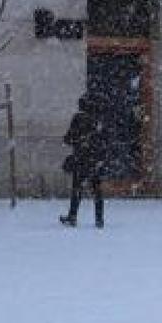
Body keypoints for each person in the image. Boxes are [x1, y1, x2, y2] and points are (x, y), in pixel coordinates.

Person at [59, 94, 107, 228]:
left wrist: (74, 140)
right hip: (95, 159)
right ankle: (99, 219)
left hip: (81, 158)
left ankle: (72, 216)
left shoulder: (78, 118)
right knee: (97, 190)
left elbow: (69, 139)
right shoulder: (98, 121)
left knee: (77, 189)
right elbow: (104, 140)